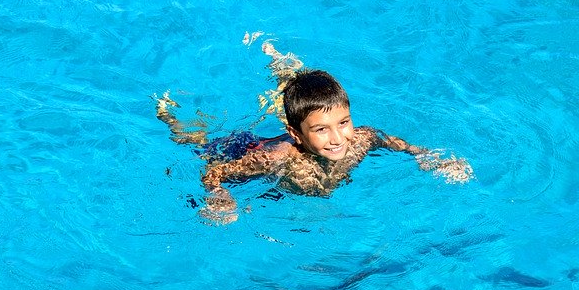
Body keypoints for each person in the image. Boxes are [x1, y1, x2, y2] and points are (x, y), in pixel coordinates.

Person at [156, 41, 473, 224]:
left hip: (291, 144)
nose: (338, 139)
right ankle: (167, 111)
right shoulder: (277, 160)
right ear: (296, 135)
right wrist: (219, 196)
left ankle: (283, 68)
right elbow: (214, 171)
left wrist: (426, 156)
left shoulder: (360, 140)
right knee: (196, 142)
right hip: (245, 147)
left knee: (303, 99)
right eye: (322, 130)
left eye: (344, 122)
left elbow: (387, 140)